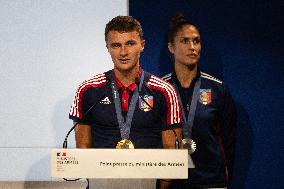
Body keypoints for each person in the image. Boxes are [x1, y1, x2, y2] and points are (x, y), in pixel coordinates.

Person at [68, 15, 182, 188]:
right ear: (107, 48)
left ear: (142, 45)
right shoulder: (88, 90)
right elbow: (83, 152)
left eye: (130, 43)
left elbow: (172, 155)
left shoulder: (164, 91)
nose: (123, 52)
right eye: (116, 45)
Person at [161, 13, 237, 189]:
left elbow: (229, 142)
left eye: (196, 41)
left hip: (211, 181)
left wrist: (224, 178)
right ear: (171, 47)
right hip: (172, 183)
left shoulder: (218, 89)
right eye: (185, 41)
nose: (192, 47)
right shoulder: (160, 90)